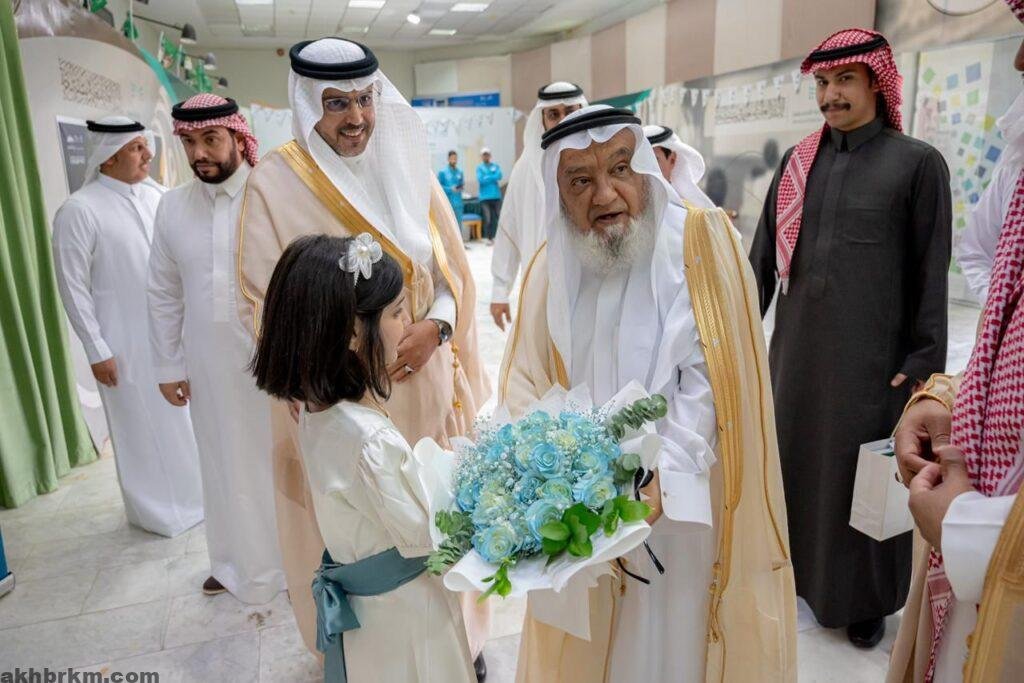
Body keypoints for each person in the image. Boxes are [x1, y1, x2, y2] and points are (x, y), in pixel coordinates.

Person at [503, 105, 796, 682]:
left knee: (667, 646)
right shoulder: (548, 266)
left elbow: (713, 375)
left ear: (644, 169)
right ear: (558, 194)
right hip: (579, 508)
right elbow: (526, 380)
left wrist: (666, 470)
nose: (605, 194)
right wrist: (547, 474)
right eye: (580, 181)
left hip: (676, 501)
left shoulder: (699, 241)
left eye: (620, 169)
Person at [236, 37, 490, 676]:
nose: (356, 118)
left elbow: (450, 273)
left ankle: (458, 641)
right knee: (368, 535)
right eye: (336, 103)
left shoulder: (407, 164)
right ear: (307, 104)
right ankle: (366, 647)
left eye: (365, 100)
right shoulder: (274, 184)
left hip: (422, 385)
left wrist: (436, 326)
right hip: (341, 404)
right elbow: (262, 305)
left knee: (436, 516)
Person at [748, 28, 952, 648]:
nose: (830, 96)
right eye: (822, 83)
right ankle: (802, 580)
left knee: (864, 480)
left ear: (876, 84)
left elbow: (931, 268)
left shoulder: (917, 163)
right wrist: (736, 331)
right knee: (798, 470)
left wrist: (924, 362)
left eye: (844, 81)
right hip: (796, 358)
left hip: (873, 363)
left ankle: (865, 602)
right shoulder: (798, 162)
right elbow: (761, 260)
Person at [251, 234, 476, 683]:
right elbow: (425, 534)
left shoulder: (316, 413)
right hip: (409, 615)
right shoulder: (369, 440)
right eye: (396, 312)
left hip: (370, 613)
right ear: (353, 332)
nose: (408, 321)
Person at [888, 3, 1024, 680]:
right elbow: (994, 279)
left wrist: (972, 528)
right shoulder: (1017, 166)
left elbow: (932, 271)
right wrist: (950, 396)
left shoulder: (915, 164)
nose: (1018, 61)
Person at [147, 94, 285, 601]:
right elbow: (162, 292)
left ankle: (292, 563)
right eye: (189, 142)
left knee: (278, 460)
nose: (199, 153)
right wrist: (168, 365)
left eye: (211, 139)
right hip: (208, 363)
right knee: (221, 462)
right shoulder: (172, 208)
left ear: (238, 138)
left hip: (273, 360)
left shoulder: (272, 196)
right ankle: (231, 564)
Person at [52, 117, 203, 539]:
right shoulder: (79, 210)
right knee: (139, 426)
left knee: (185, 423)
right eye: (137, 148)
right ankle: (156, 512)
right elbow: (72, 286)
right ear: (109, 157)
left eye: (145, 145)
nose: (147, 155)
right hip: (123, 342)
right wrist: (96, 348)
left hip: (173, 335)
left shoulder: (159, 197)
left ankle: (198, 500)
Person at [490, 82, 587, 329]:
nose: (563, 121)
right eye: (554, 114)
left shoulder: (599, 160)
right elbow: (509, 229)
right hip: (542, 290)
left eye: (570, 112)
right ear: (542, 120)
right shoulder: (525, 169)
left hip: (592, 288)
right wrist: (500, 290)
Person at [643, 124, 715, 209]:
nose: (645, 169)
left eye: (653, 160)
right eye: (641, 162)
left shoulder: (691, 214)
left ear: (672, 160)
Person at [476, 148, 502, 245]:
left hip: (496, 196)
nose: (486, 156)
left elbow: (499, 176)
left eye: (487, 154)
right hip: (484, 198)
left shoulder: (496, 166)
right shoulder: (479, 168)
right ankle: (488, 237)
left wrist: (487, 176)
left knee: (499, 218)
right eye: (484, 155)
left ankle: (498, 238)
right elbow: (481, 180)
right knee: (488, 218)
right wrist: (492, 176)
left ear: (490, 156)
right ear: (481, 157)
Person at [438, 150, 466, 232]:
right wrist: (450, 189)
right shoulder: (442, 172)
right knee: (448, 227)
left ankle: (459, 240)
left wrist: (461, 187)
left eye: (455, 158)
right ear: (448, 159)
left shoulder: (460, 172)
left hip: (458, 204)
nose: (454, 160)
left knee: (458, 226)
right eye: (452, 158)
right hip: (448, 203)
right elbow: (439, 188)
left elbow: (461, 184)